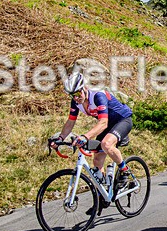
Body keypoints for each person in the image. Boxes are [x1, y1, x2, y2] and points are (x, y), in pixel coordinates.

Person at [51, 71, 134, 205]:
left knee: (106, 144)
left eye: (78, 94)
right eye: (72, 95)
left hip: (122, 120)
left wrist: (85, 137)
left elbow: (103, 123)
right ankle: (104, 192)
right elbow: (70, 122)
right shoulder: (76, 102)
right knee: (97, 158)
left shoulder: (98, 96)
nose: (76, 98)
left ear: (84, 88)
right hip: (107, 124)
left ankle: (125, 171)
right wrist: (60, 138)